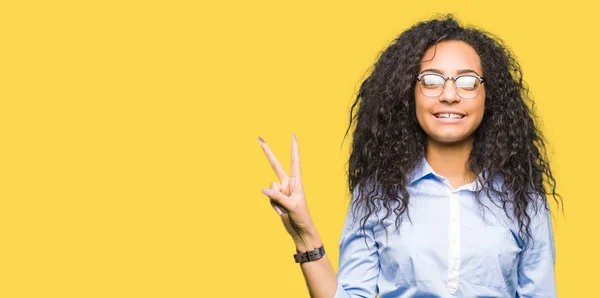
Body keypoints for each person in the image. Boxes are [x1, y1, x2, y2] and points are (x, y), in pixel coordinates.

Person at [258, 15, 561, 298]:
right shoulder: (377, 195)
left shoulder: (525, 202)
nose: (450, 94)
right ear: (409, 93)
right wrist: (304, 235)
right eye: (431, 79)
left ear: (488, 95)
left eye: (467, 81)